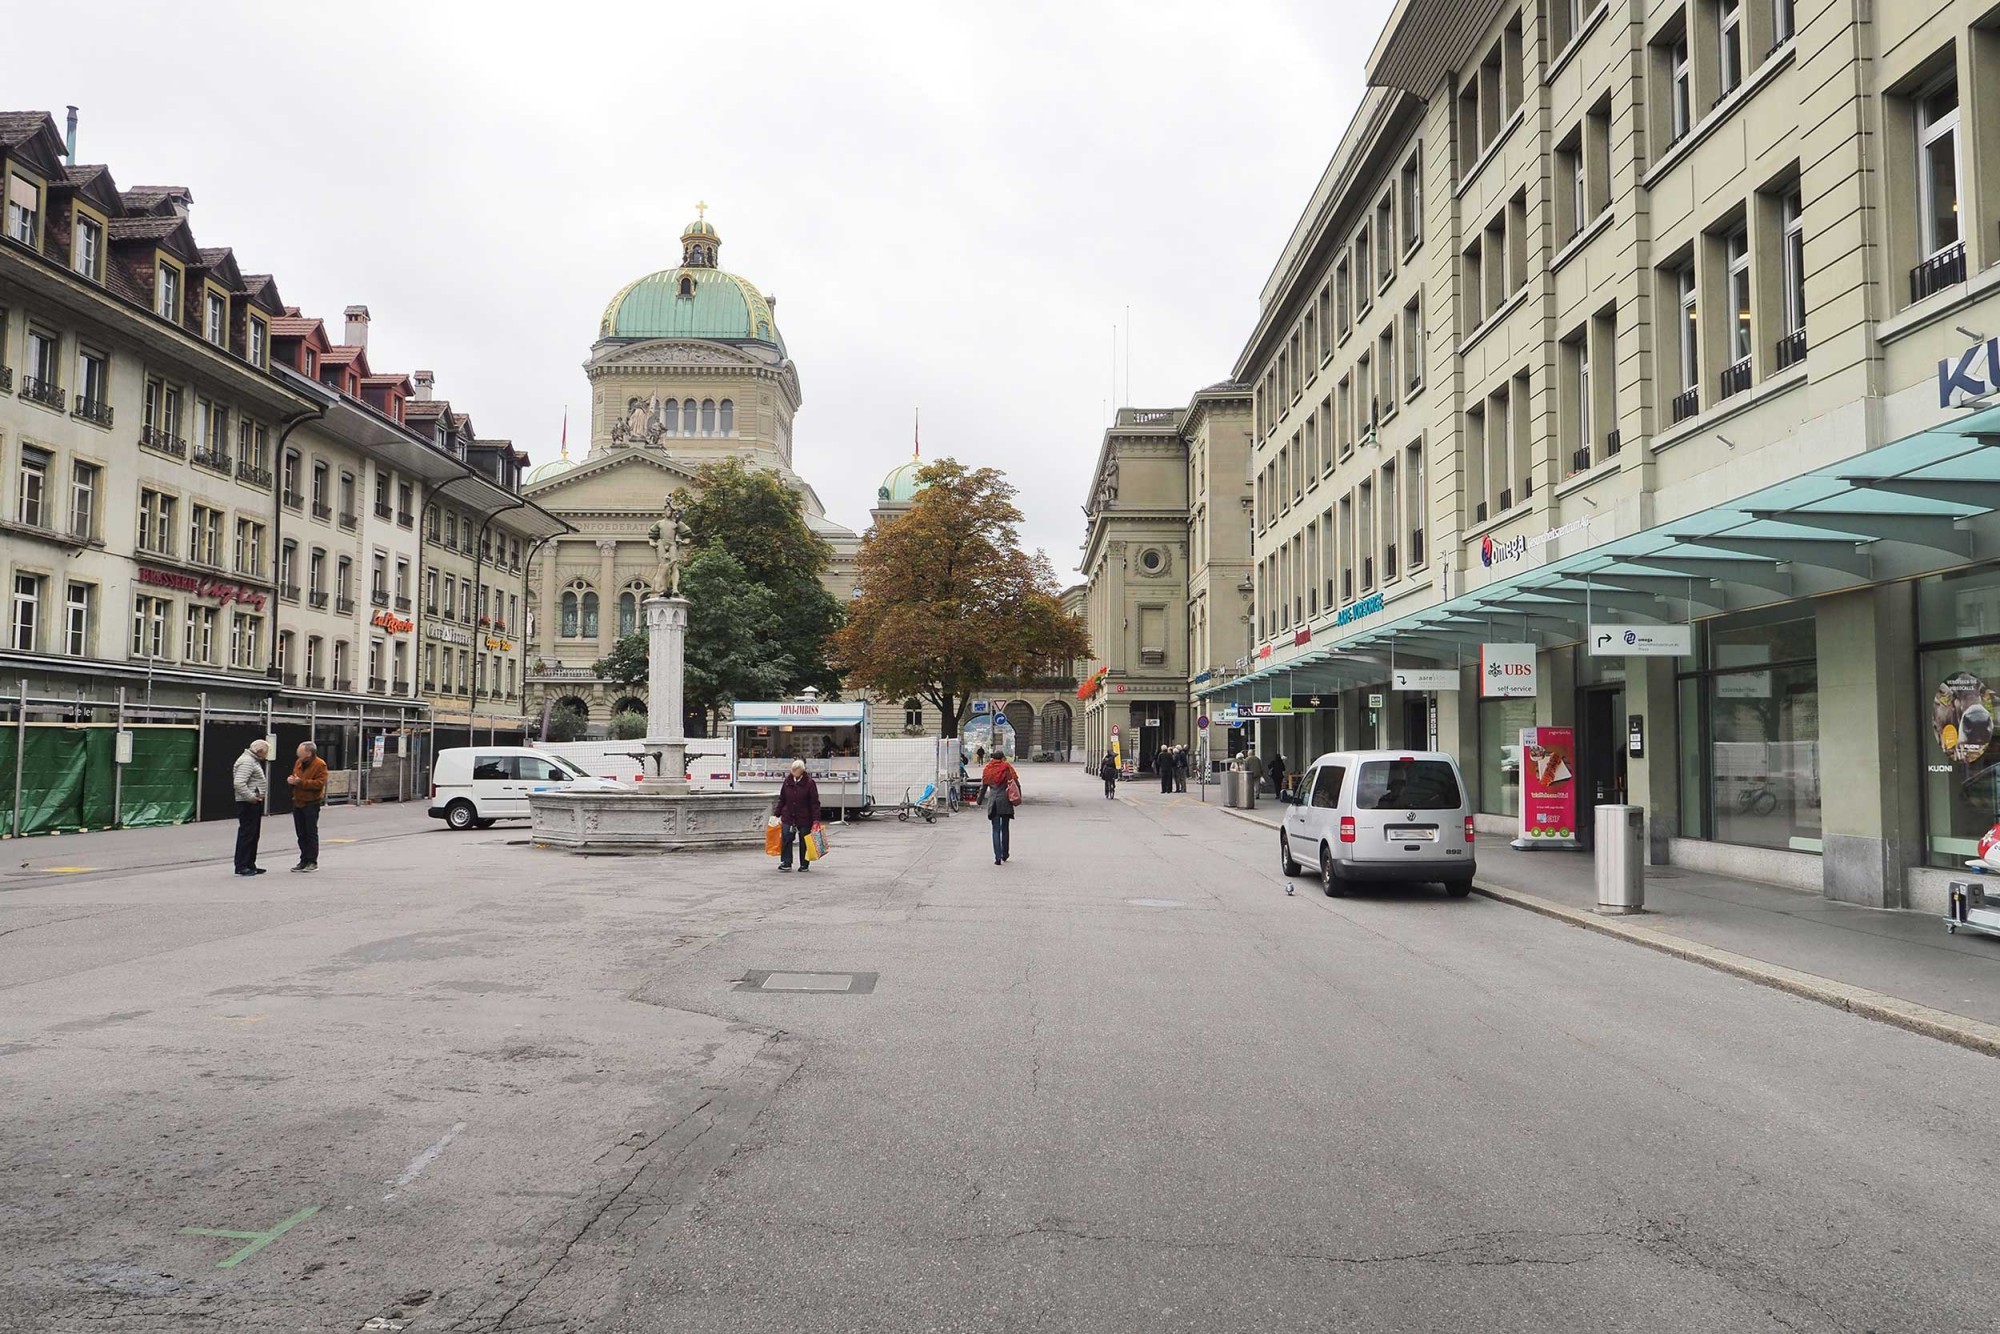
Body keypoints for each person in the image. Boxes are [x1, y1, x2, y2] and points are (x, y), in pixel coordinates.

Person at [772, 758, 821, 873]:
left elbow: (814, 803)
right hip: (788, 815)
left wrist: (816, 820)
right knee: (786, 838)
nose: (793, 771)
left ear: (802, 770)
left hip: (804, 816)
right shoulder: (787, 781)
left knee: (805, 840)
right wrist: (776, 814)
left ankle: (804, 864)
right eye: (792, 769)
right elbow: (782, 799)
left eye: (796, 770)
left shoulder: (809, 783)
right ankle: (786, 862)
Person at [287, 741, 328, 872]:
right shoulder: (299, 763)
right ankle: (303, 859)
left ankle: (312, 861)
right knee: (301, 833)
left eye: (301, 753)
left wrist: (301, 782)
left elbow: (319, 784)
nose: (298, 755)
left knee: (310, 832)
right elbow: (296, 776)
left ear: (309, 753)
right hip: (298, 801)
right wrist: (292, 781)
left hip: (311, 802)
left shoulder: (320, 764)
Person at [232, 739, 270, 876]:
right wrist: (251, 797)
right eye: (266, 752)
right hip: (247, 803)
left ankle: (249, 863)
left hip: (252, 802)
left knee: (253, 834)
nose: (266, 755)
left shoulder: (252, 760)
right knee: (247, 834)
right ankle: (242, 865)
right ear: (259, 751)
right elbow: (239, 783)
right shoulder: (247, 761)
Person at [981, 749, 1020, 864]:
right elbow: (1016, 782)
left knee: (995, 829)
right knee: (1005, 828)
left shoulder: (988, 769)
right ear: (1002, 758)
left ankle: (997, 857)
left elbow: (984, 786)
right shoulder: (1007, 768)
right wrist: (1018, 797)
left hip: (993, 802)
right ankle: (1005, 854)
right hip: (1005, 801)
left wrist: (979, 800)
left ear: (993, 758)